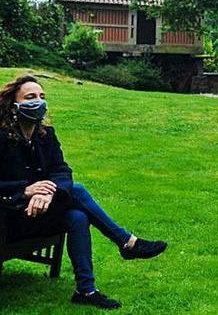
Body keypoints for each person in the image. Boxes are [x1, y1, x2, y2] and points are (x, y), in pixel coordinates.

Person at [0, 75, 167, 310]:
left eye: (42, 97)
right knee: (77, 191)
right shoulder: (2, 138)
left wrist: (48, 193)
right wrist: (24, 190)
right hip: (9, 218)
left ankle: (86, 290)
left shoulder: (45, 135)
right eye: (30, 97)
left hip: (39, 213)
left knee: (77, 217)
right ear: (13, 106)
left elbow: (62, 170)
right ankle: (126, 242)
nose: (38, 102)